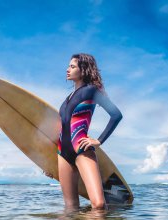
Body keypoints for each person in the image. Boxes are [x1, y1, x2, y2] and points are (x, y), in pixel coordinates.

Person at [45, 53, 123, 210]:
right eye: (68, 66)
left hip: (81, 148)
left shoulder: (91, 91)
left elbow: (116, 115)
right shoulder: (66, 99)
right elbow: (61, 129)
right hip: (62, 153)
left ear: (84, 70)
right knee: (70, 208)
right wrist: (47, 163)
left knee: (99, 204)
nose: (68, 69)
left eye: (72, 67)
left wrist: (99, 140)